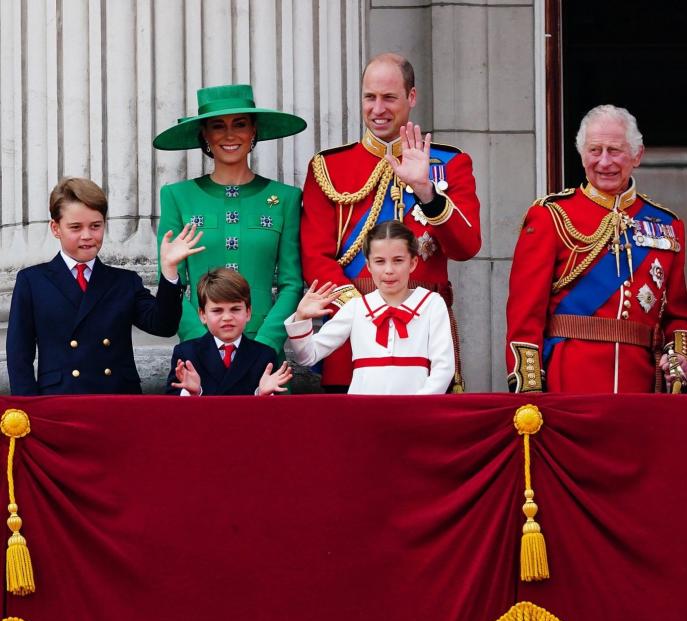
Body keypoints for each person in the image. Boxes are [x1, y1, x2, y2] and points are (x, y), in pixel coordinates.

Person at [300, 52, 480, 392]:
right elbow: (314, 256)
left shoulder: (450, 163)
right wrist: (365, 313)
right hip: (352, 341)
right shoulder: (329, 168)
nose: (378, 109)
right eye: (370, 97)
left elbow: (467, 248)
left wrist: (427, 192)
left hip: (426, 334)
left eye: (389, 98)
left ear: (411, 97)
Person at [505, 104, 687, 393]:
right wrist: (531, 389)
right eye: (595, 150)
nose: (604, 161)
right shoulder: (551, 216)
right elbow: (524, 314)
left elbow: (678, 315)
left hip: (640, 384)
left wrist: (680, 358)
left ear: (637, 155)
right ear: (582, 155)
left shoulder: (667, 225)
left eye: (615, 150)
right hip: (568, 380)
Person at [153, 84, 306, 355]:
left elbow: (291, 283)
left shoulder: (285, 198)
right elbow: (171, 280)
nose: (230, 135)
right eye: (217, 126)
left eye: (240, 124)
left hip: (264, 354)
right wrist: (201, 343)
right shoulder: (177, 196)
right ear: (204, 134)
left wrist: (266, 344)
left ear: (253, 130)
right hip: (199, 356)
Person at [7, 178, 186, 395]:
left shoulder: (125, 281)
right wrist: (27, 410)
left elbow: (163, 326)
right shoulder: (32, 281)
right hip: (60, 400)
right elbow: (19, 354)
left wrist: (169, 271)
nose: (87, 236)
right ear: (55, 228)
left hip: (117, 400)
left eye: (95, 226)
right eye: (75, 227)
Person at [284, 220, 455, 395]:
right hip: (362, 414)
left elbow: (444, 367)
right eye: (380, 261)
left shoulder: (432, 303)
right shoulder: (356, 307)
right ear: (369, 265)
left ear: (412, 263)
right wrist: (301, 318)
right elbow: (308, 356)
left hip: (417, 413)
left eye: (398, 260)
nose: (389, 270)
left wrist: (418, 407)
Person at [166, 268, 293, 396]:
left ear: (248, 312)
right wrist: (194, 393)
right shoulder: (186, 353)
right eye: (217, 310)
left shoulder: (265, 355)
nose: (227, 317)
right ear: (203, 315)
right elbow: (169, 407)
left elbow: (275, 412)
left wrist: (261, 394)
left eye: (235, 309)